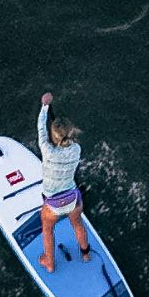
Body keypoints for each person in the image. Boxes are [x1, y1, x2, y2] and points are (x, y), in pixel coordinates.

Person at [37, 91, 91, 273]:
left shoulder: (47, 150)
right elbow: (63, 141)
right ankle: (85, 254)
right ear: (71, 132)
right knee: (77, 224)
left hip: (53, 204)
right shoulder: (77, 149)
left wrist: (45, 106)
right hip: (74, 198)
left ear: (53, 136)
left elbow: (41, 130)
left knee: (47, 230)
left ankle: (50, 263)